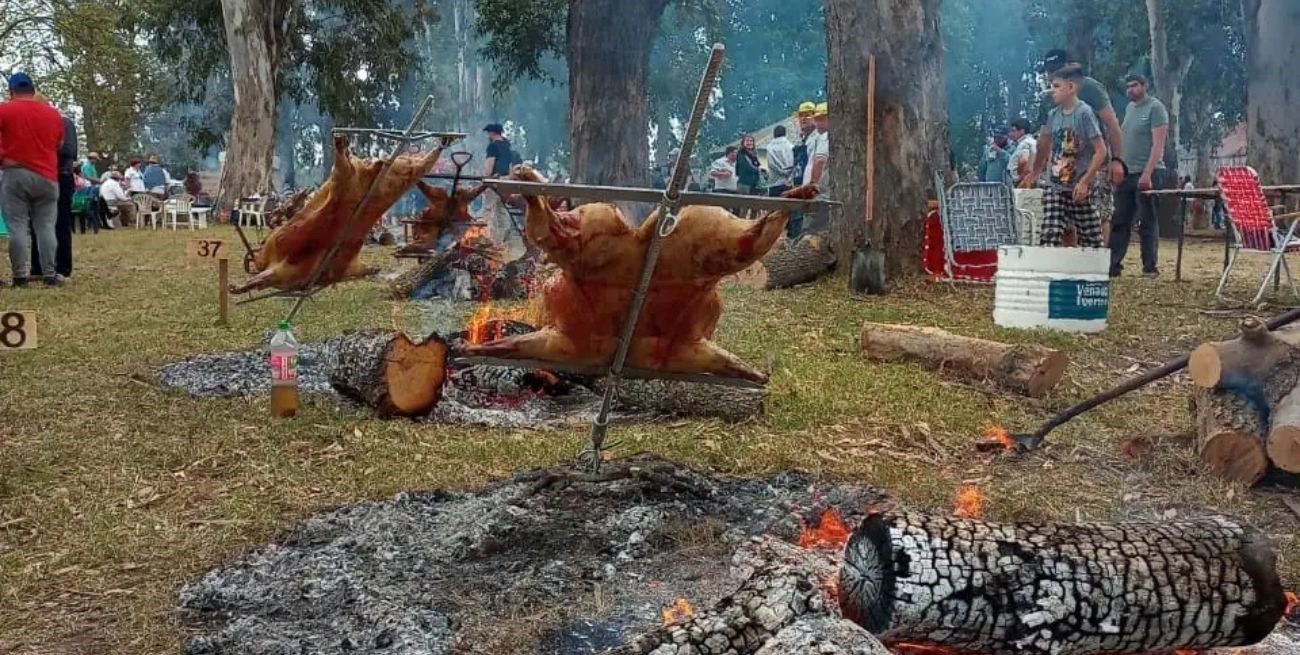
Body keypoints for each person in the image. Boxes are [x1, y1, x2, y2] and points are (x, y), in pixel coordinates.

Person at [1040, 49, 1125, 242]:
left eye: (1056, 70)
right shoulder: (1052, 95)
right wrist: (1037, 168)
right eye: (1049, 71)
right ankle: (1070, 266)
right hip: (1063, 164)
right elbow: (1045, 136)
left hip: (1094, 160)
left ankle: (1098, 263)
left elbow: (1112, 125)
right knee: (1064, 220)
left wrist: (1118, 160)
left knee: (1098, 214)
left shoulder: (1090, 89)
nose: (1052, 75)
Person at [1022, 64, 1107, 249]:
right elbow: (1044, 144)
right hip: (1056, 184)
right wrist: (1036, 171)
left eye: (1056, 86)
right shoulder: (1053, 115)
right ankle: (1051, 270)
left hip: (1079, 186)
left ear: (1071, 87)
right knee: (1050, 232)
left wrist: (1086, 181)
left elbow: (1101, 151)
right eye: (1051, 86)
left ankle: (1093, 272)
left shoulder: (1084, 113)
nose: (1052, 91)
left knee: (1091, 236)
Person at [0, 73, 65, 287]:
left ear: (11, 92)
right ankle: (49, 274)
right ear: (33, 90)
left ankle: (20, 277)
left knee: (17, 227)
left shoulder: (5, 110)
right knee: (46, 226)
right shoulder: (53, 114)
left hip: (15, 174)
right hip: (47, 176)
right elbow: (60, 144)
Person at [1109, 74, 1169, 278]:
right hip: (1127, 173)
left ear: (1145, 86)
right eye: (1128, 86)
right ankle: (1113, 264)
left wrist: (1147, 173)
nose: (1130, 90)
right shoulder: (1129, 109)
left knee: (1147, 221)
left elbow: (1158, 144)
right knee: (1120, 220)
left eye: (1134, 85)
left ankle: (1149, 266)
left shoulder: (1156, 108)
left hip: (1147, 173)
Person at [31, 112, 76, 279]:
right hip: (40, 176)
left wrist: (43, 148)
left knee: (61, 223)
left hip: (61, 175)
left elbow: (69, 150)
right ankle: (37, 268)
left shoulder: (64, 123)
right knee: (36, 224)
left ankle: (63, 268)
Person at [765, 124, 795, 197]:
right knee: (788, 206)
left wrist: (781, 172)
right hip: (788, 181)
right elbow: (794, 162)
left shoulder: (769, 147)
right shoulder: (790, 146)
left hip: (774, 182)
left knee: (774, 206)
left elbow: (771, 164)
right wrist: (787, 173)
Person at [1007, 118, 1038, 186]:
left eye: (1014, 131)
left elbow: (1024, 161)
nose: (1011, 134)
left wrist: (1021, 182)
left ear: (1022, 131)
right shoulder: (1032, 142)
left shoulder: (1025, 144)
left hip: (1021, 182)